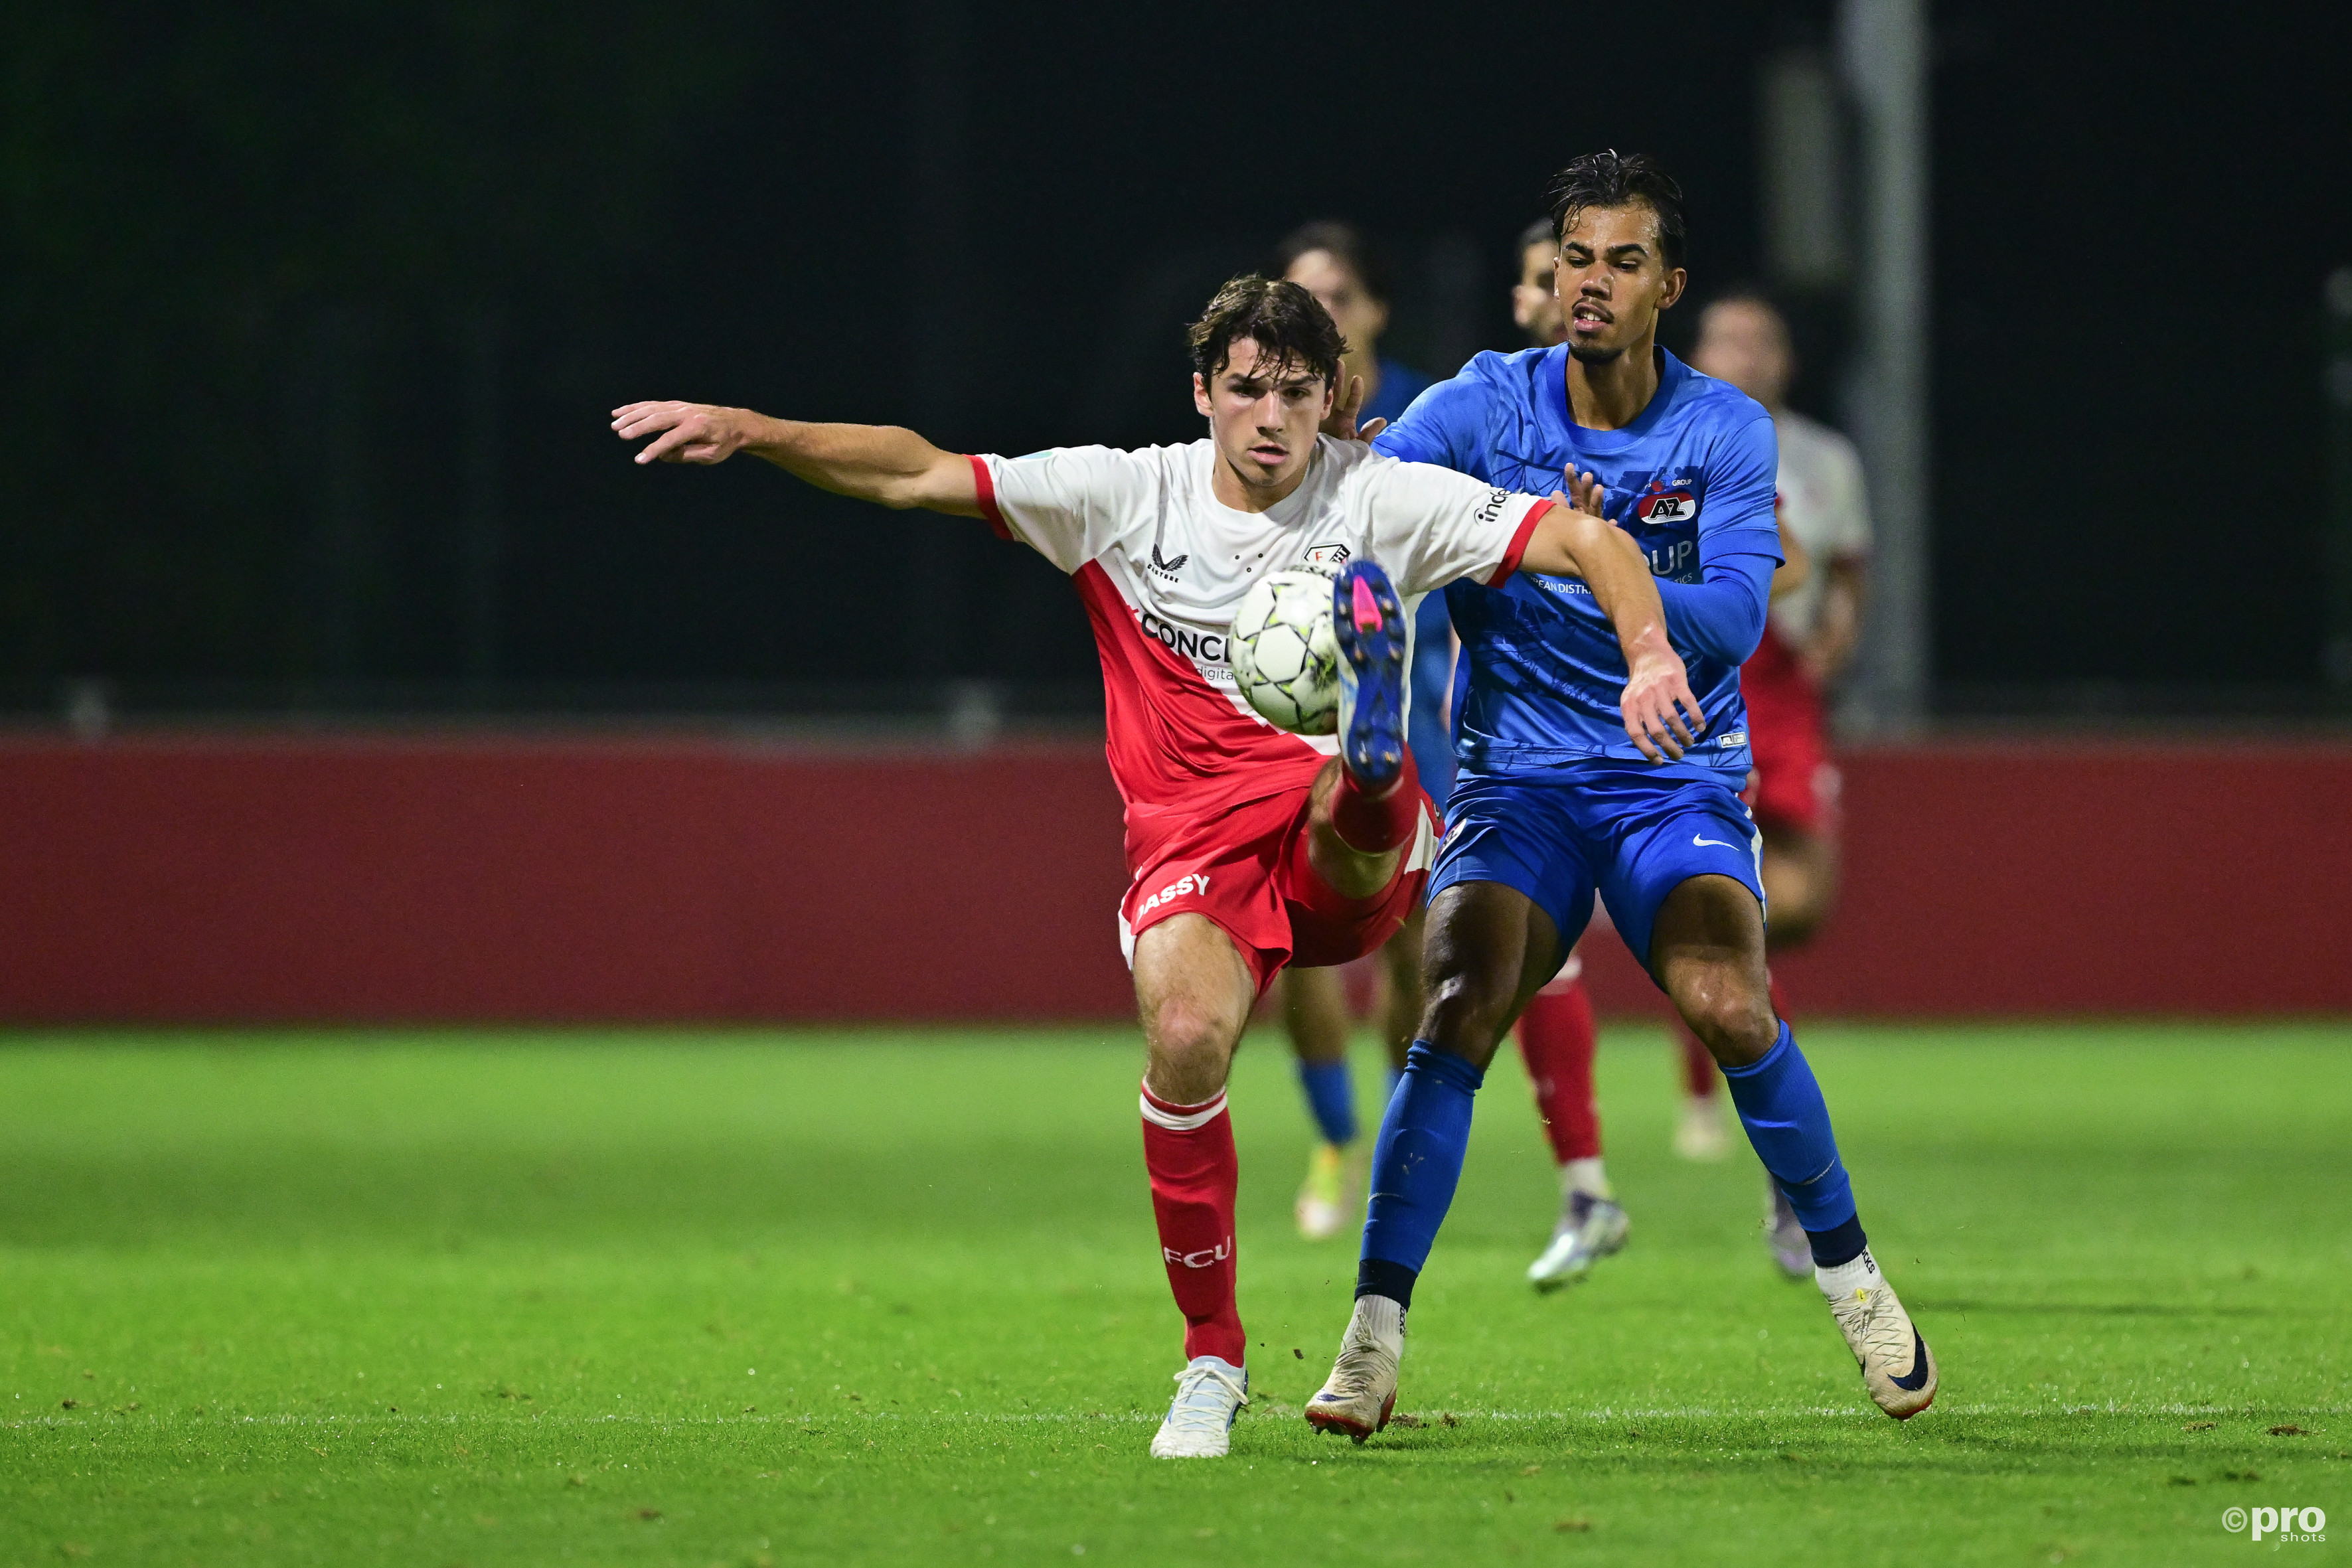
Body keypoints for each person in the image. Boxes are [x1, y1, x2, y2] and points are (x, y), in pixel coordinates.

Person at [611, 274, 1699, 1459]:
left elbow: (1585, 537)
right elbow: (917, 469)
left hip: (1332, 837)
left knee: (1350, 805)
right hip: (1190, 839)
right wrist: (756, 431)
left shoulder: (1383, 496)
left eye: (1296, 393)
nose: (1270, 417)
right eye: (1245, 391)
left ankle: (1376, 757)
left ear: (1336, 397)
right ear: (1203, 393)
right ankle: (1211, 1360)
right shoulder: (1125, 495)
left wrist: (1647, 654)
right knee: (1184, 1040)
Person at [1304, 152, 1936, 1442]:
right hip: (1515, 777)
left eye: (1621, 262)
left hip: (1667, 773)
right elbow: (1370, 501)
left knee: (1725, 997)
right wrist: (1348, 479)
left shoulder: (1719, 430)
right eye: (1574, 258)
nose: (1590, 284)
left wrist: (1595, 556)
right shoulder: (1485, 400)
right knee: (1455, 1000)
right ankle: (1371, 1335)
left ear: (1668, 287)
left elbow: (1730, 610)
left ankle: (1849, 1274)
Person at [1687, 289, 1873, 1275]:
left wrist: (1832, 625)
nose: (1743, 355)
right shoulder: (1654, 426)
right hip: (1698, 684)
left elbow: (1831, 565)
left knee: (1795, 907)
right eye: (1727, 338)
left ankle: (1730, 1007)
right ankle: (1788, 1176)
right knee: (1733, 916)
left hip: (1784, 687)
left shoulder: (1820, 460)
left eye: (1761, 341)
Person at [1267, 222, 1439, 1240]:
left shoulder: (1426, 409)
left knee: (1421, 941)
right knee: (1305, 940)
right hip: (1292, 702)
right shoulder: (1261, 419)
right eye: (1299, 293)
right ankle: (1334, 1139)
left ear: (1372, 310)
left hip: (1415, 698)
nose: (1321, 308)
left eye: (1337, 291)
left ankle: (1399, 1141)